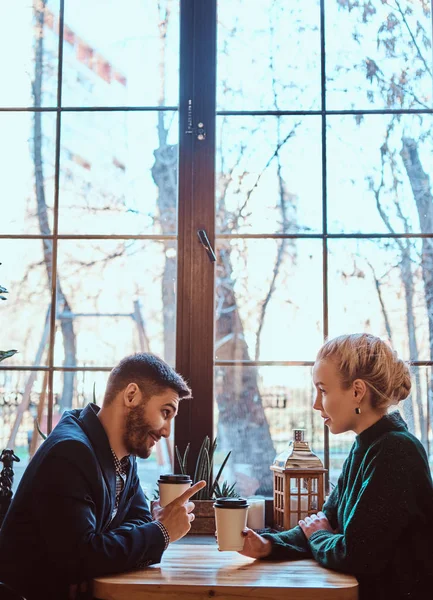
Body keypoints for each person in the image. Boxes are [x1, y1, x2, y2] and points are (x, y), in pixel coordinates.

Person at [239, 333, 433, 600]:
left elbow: (357, 555)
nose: (316, 404)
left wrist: (319, 537)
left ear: (357, 391)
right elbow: (327, 521)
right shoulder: (366, 446)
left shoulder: (396, 450)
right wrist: (268, 545)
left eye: (323, 390)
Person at [0, 353, 206, 600]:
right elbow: (83, 556)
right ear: (131, 396)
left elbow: (138, 518)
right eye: (165, 412)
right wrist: (162, 531)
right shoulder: (70, 452)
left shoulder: (122, 453)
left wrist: (100, 552)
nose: (166, 430)